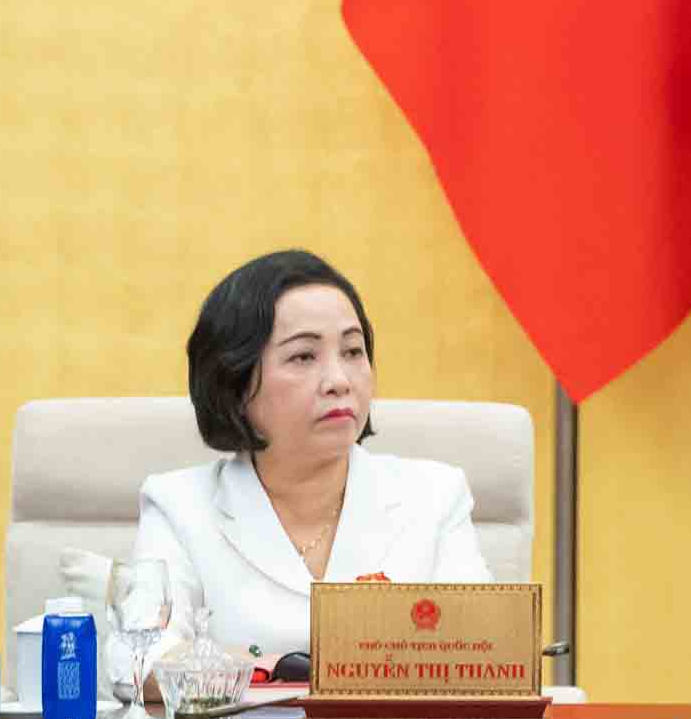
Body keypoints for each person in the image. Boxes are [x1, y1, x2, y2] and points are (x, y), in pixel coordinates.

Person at [135, 250, 488, 674]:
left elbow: (480, 653)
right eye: (304, 357)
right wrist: (280, 669)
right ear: (235, 383)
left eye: (353, 351)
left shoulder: (435, 496)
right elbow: (140, 658)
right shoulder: (179, 505)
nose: (339, 381)